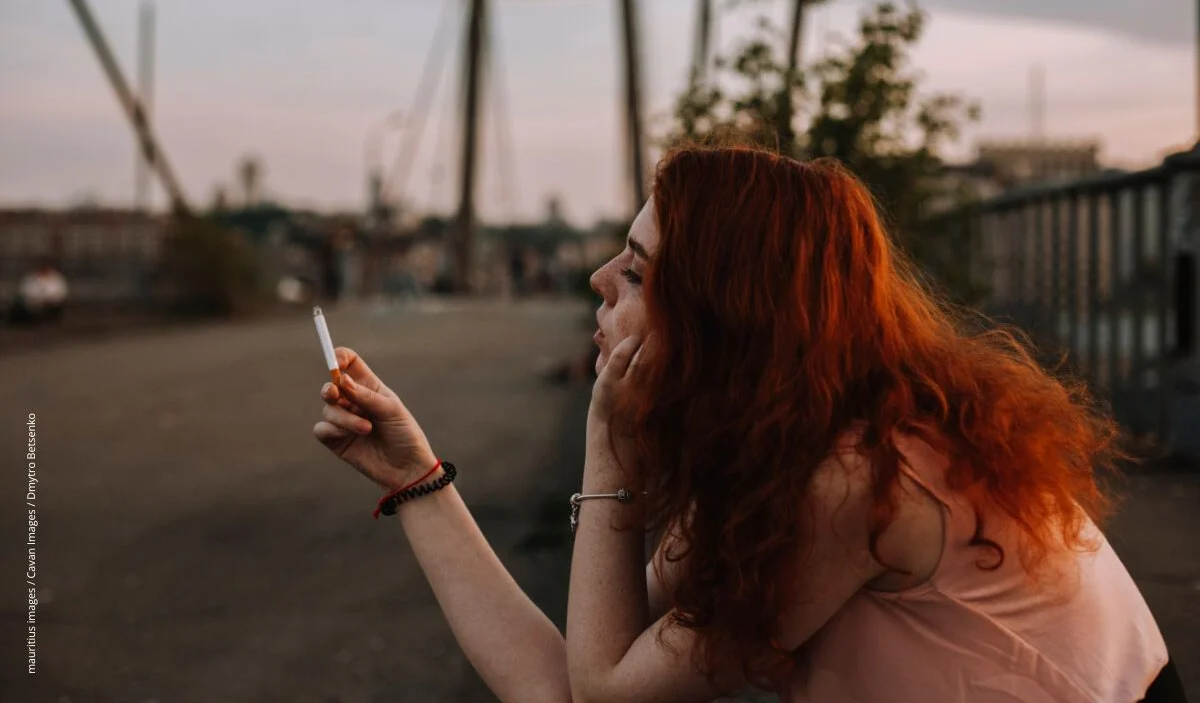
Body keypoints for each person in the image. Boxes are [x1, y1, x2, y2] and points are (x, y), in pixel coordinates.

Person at [314, 145, 1185, 702]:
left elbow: (605, 700)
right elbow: (574, 687)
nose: (599, 280)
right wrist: (416, 480)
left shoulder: (858, 475)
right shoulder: (783, 445)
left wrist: (606, 449)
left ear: (725, 315)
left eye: (640, 270)